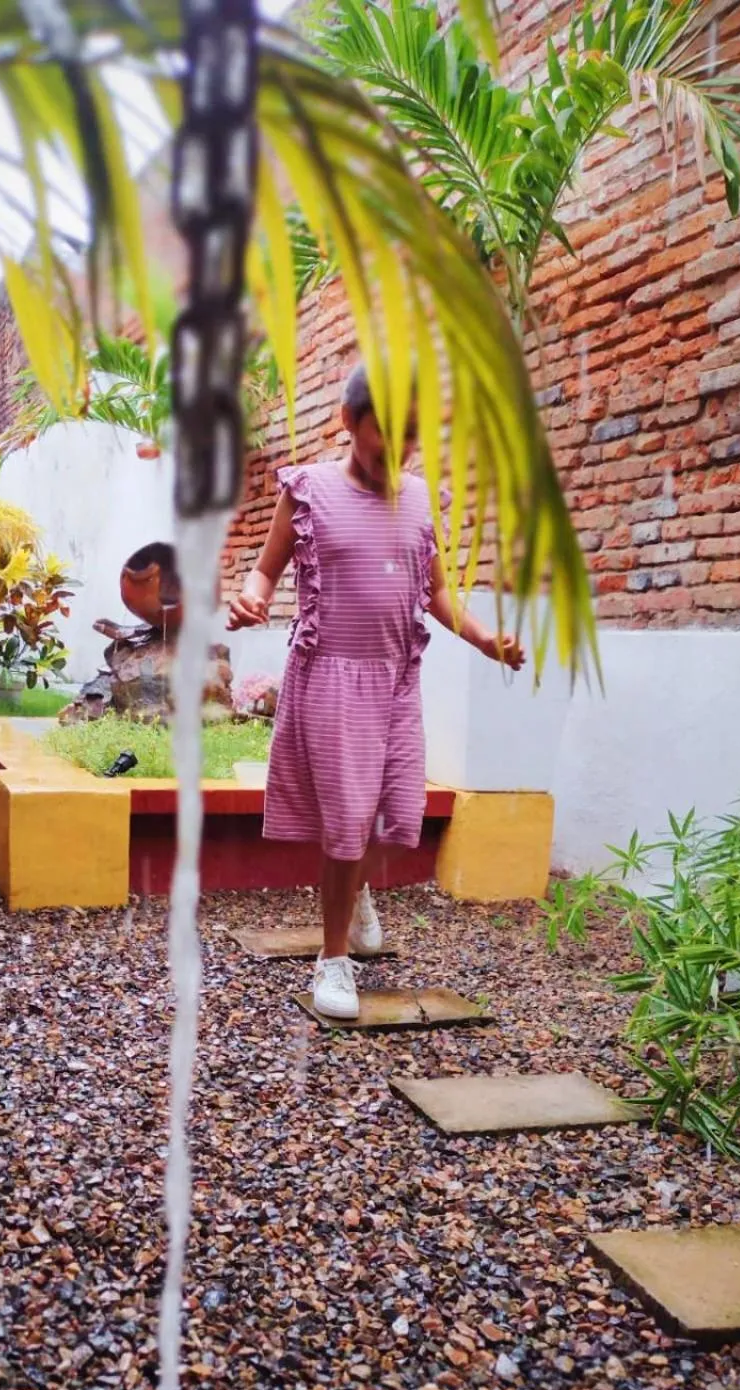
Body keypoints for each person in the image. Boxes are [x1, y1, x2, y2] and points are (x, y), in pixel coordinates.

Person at [227, 361, 525, 1019]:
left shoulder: (421, 501)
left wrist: (481, 638)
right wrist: (250, 598)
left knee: (394, 816)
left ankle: (356, 893)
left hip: (396, 679)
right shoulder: (307, 490)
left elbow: (437, 591)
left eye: (412, 435)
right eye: (384, 432)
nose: (400, 448)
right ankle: (333, 961)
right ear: (347, 422)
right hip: (331, 677)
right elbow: (264, 569)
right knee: (346, 821)